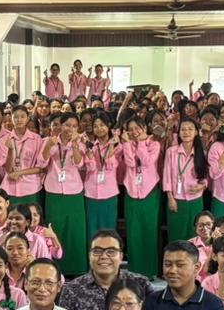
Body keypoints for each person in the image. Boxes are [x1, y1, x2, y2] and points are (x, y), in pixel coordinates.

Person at [60, 229, 153, 310]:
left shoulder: (141, 284)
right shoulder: (72, 290)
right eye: (97, 251)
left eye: (111, 252)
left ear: (121, 256)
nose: (104, 256)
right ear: (89, 256)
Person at [140, 241, 224, 310]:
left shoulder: (213, 304)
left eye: (180, 265)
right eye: (167, 264)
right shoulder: (152, 301)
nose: (172, 270)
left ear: (196, 268)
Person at [40, 113, 87, 276]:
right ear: (60, 125)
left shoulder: (79, 143)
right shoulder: (49, 140)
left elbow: (79, 164)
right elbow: (41, 162)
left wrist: (75, 145)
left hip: (74, 191)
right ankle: (56, 267)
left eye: (74, 126)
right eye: (67, 125)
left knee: (75, 230)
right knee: (56, 228)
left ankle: (77, 268)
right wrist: (49, 146)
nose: (70, 129)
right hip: (53, 191)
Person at [119, 115, 163, 278]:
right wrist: (127, 144)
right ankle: (134, 270)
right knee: (134, 233)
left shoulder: (154, 144)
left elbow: (146, 162)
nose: (134, 132)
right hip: (131, 192)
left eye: (137, 128)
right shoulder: (127, 144)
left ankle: (149, 271)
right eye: (130, 130)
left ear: (145, 128)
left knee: (149, 231)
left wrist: (142, 143)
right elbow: (130, 163)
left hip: (150, 192)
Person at [5, 259, 88, 310]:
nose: (42, 289)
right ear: (26, 284)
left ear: (59, 286)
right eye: (35, 282)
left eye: (49, 283)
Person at [163, 118, 209, 243]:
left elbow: (206, 176)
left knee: (194, 235)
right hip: (176, 201)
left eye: (190, 129)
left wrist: (202, 186)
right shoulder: (171, 152)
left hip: (195, 200)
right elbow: (167, 176)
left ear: (196, 132)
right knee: (176, 235)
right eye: (183, 129)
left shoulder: (201, 152)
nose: (186, 132)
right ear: (178, 133)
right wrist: (170, 198)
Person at [83, 113, 122, 238]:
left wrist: (111, 146)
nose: (99, 128)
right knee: (92, 229)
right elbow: (91, 168)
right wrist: (89, 153)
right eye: (95, 126)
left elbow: (111, 166)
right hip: (91, 193)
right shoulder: (91, 146)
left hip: (109, 193)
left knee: (109, 229)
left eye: (102, 125)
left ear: (108, 125)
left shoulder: (118, 146)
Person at [2, 104, 44, 208]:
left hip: (31, 187)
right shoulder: (5, 139)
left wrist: (20, 173)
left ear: (27, 118)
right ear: (11, 118)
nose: (19, 119)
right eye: (16, 116)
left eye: (22, 116)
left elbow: (41, 167)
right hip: (9, 187)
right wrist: (11, 150)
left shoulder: (36, 139)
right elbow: (7, 168)